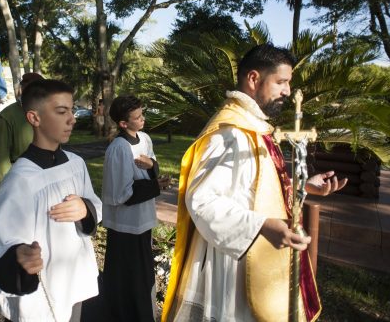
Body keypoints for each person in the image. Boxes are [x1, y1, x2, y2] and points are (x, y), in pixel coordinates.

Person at [161, 44, 348, 322]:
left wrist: (305, 186)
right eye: (281, 82)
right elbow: (201, 200)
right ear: (253, 79)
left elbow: (258, 185)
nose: (287, 91)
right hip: (232, 263)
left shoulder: (254, 126)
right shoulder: (228, 134)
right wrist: (261, 225)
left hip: (254, 253)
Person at [0, 79, 102, 322]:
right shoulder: (21, 179)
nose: (72, 118)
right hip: (42, 294)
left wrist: (86, 208)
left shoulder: (76, 164)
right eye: (61, 111)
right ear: (34, 118)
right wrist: (18, 254)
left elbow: (94, 204)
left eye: (71, 110)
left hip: (74, 279)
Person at [102, 95, 170, 322]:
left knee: (142, 275)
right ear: (123, 123)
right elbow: (119, 194)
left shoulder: (145, 138)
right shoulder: (118, 149)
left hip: (142, 221)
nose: (143, 120)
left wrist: (153, 168)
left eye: (142, 114)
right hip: (124, 226)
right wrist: (153, 186)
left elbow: (153, 165)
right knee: (125, 277)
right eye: (137, 117)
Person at [0, 72, 43, 182]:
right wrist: (10, 186)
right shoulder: (6, 117)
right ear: (23, 90)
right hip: (21, 180)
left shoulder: (46, 113)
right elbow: (1, 159)